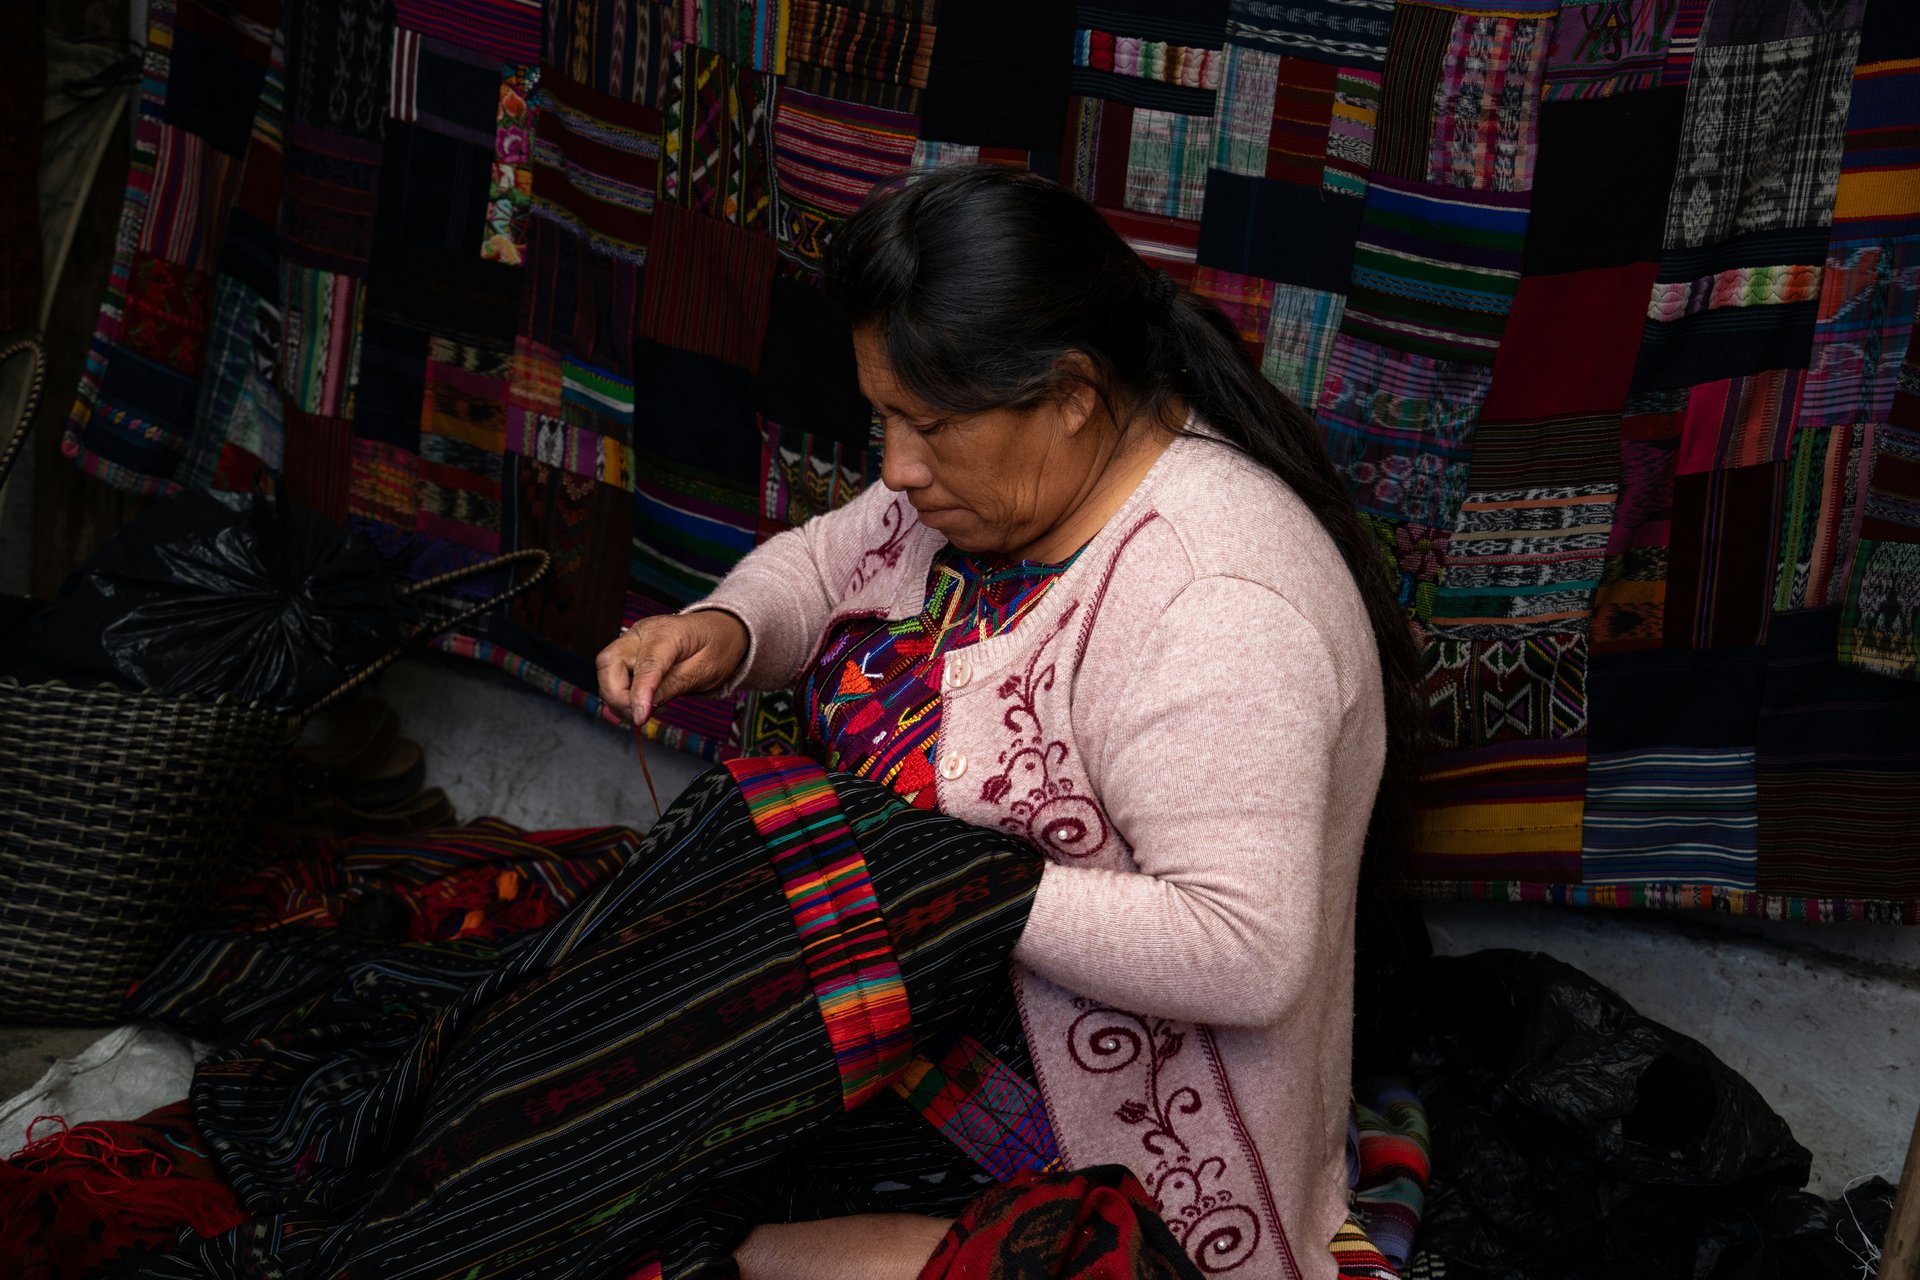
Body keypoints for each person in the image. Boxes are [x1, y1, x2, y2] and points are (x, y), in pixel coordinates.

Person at [597, 165, 1419, 1280]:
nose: (896, 465)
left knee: (653, 1228)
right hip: (913, 1029)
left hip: (1093, 1146)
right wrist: (729, 628)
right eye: (883, 415)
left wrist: (945, 881)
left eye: (924, 424)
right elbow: (832, 558)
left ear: (1072, 391)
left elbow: (1247, 950)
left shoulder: (1218, 604)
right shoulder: (991, 482)